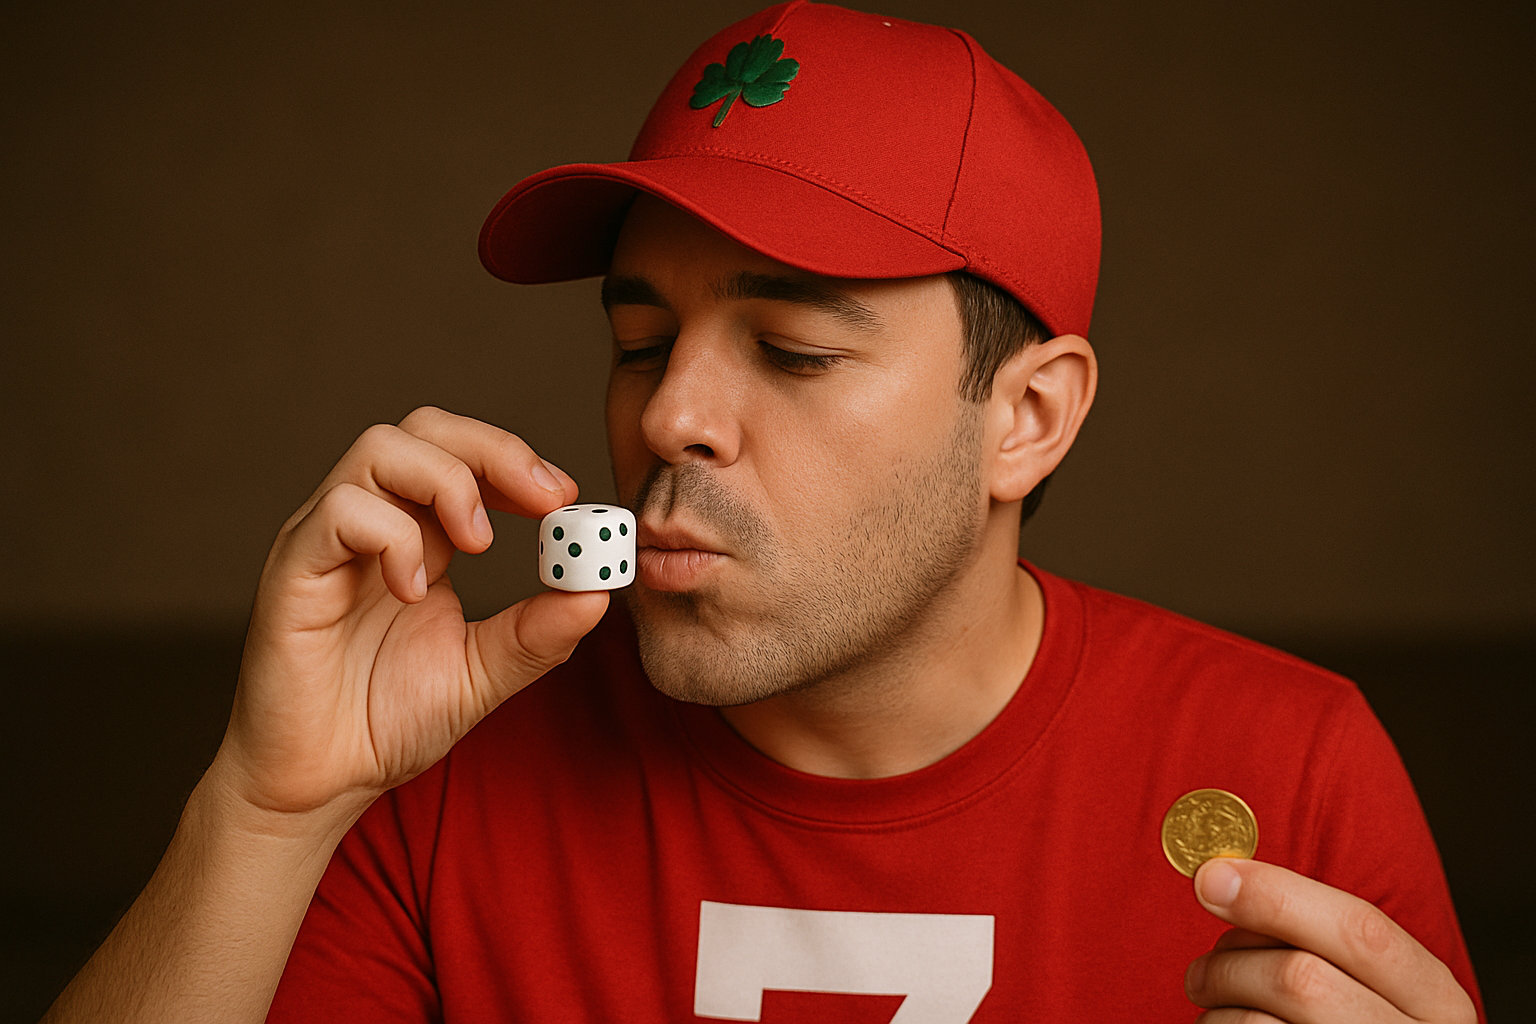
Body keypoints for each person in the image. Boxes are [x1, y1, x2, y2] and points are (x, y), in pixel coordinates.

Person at [44, 2, 1484, 1021]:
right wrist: (266, 810)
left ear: (1028, 418)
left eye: (792, 351)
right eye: (639, 341)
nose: (668, 415)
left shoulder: (1289, 768)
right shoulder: (436, 774)